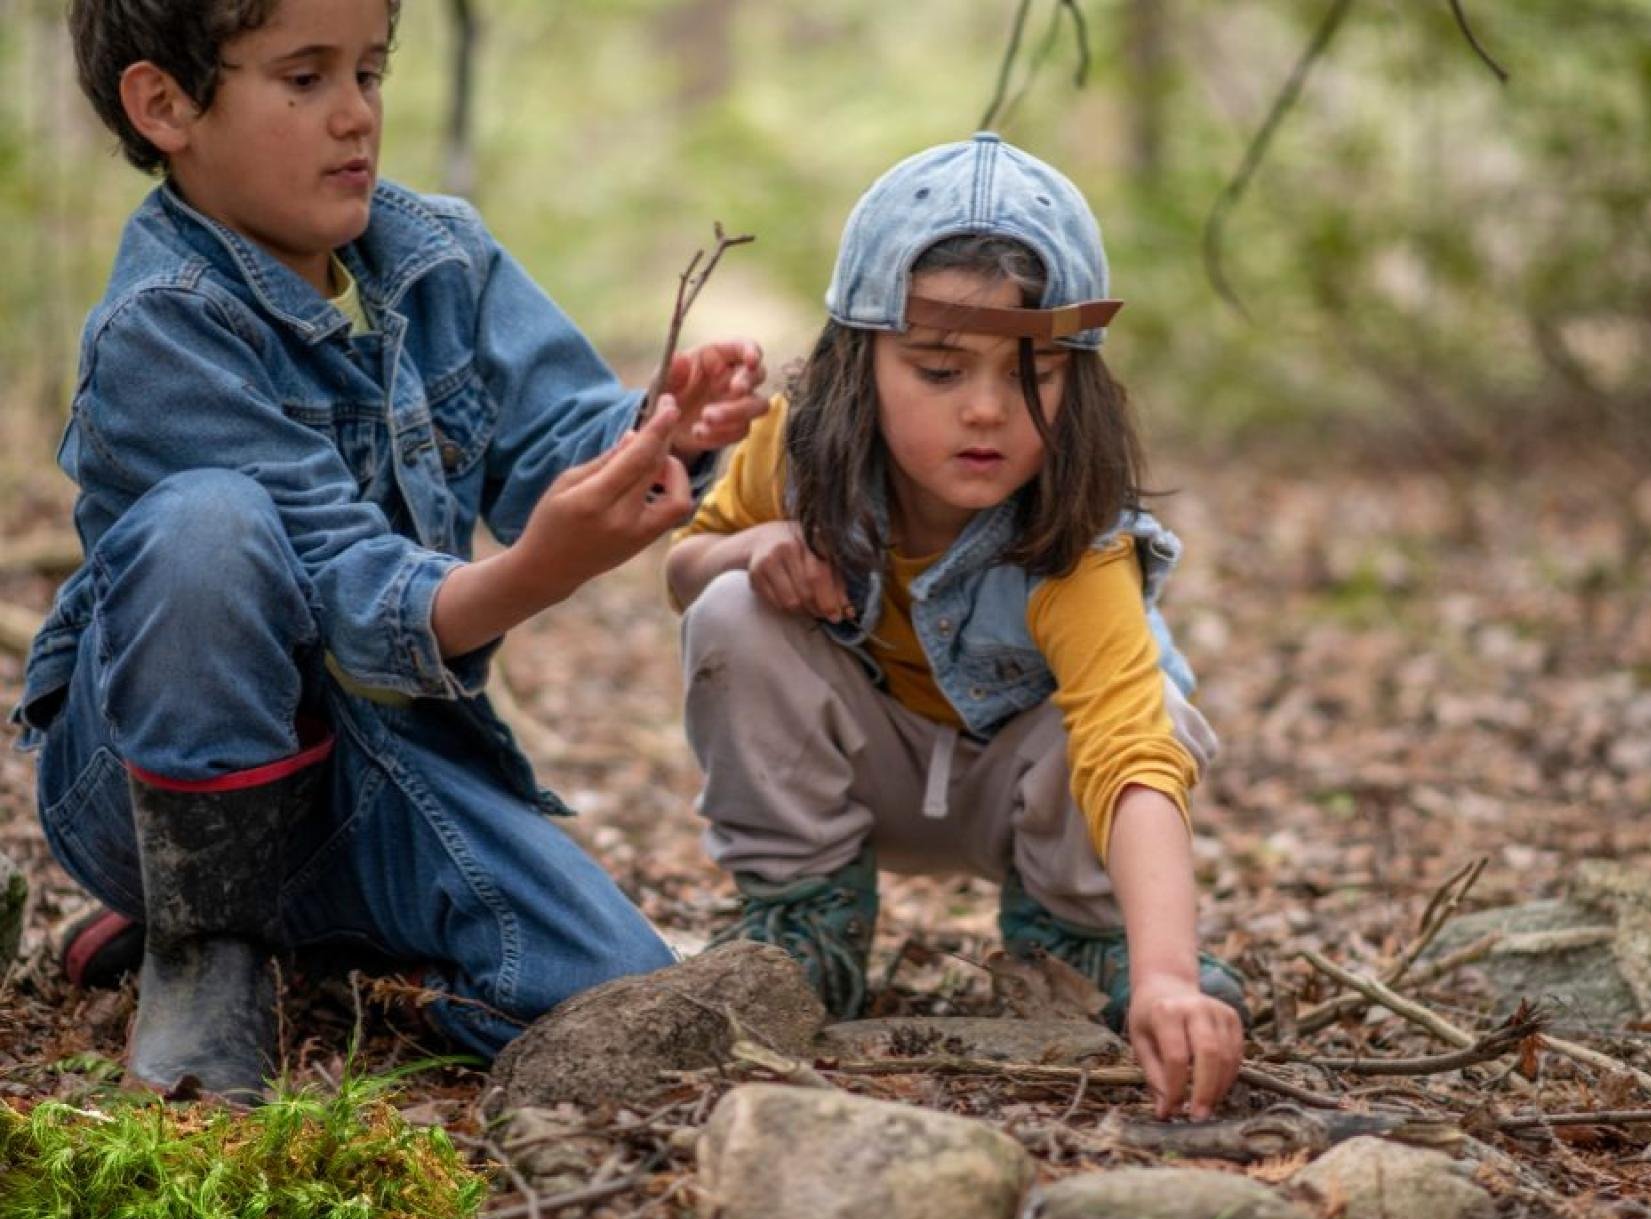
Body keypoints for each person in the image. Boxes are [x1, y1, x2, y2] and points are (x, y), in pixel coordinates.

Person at [15, 0, 770, 1100]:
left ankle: (325, 960)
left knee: (613, 986)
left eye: (370, 71)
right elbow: (350, 589)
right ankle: (201, 937)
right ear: (165, 104)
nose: (356, 116)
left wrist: (659, 429)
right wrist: (535, 572)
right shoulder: (160, 326)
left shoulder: (438, 254)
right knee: (208, 523)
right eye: (305, 78)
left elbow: (555, 435)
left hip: (374, 763)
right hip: (145, 777)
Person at [665, 133, 1247, 1119]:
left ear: (1080, 379)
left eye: (1035, 374)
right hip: (858, 768)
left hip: (1017, 797)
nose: (988, 410)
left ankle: (1073, 936)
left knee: (1146, 701)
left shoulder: (1078, 540)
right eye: (939, 369)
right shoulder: (798, 451)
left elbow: (1128, 754)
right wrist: (750, 544)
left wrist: (1167, 975)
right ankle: (805, 925)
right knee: (732, 606)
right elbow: (685, 568)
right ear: (860, 362)